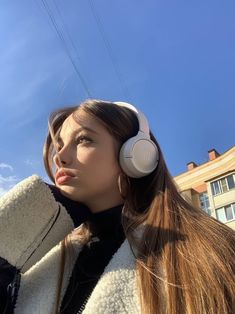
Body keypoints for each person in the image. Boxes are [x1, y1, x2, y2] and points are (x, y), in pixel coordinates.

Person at [0, 99, 234, 314]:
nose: (59, 157)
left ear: (136, 155)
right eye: (59, 145)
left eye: (83, 139)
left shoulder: (206, 251)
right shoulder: (42, 257)